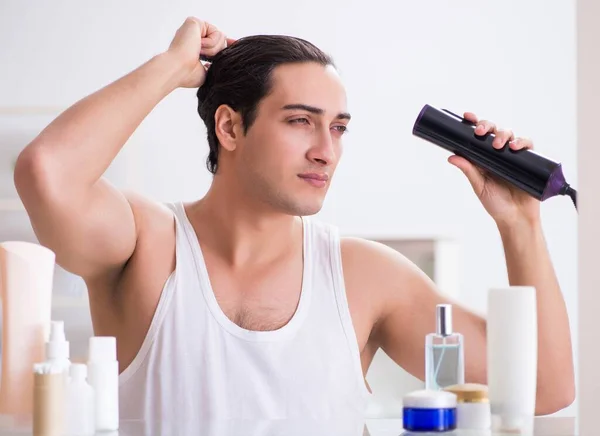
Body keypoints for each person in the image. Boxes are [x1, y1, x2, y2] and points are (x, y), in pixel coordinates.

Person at [14, 17, 575, 420]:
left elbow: (544, 390)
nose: (326, 151)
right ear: (230, 128)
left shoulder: (364, 276)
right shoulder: (148, 245)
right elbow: (48, 173)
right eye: (300, 121)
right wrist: (170, 69)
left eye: (338, 127)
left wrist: (518, 223)